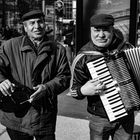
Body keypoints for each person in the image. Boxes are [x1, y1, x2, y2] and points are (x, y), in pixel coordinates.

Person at [0, 10, 70, 140]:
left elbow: (64, 77)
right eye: (32, 23)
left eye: (40, 22)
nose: (37, 26)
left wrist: (47, 88)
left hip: (44, 115)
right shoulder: (10, 46)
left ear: (45, 24)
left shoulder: (58, 49)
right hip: (17, 116)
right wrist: (1, 81)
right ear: (25, 28)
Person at [69, 14, 135, 140]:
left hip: (127, 116)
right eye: (97, 30)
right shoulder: (83, 57)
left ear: (112, 30)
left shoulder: (127, 48)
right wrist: (83, 90)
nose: (101, 35)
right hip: (99, 118)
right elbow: (73, 90)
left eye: (105, 30)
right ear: (91, 30)